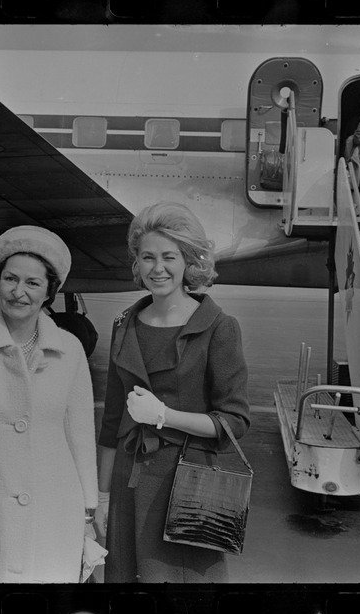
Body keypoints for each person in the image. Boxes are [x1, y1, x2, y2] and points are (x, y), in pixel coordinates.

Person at [96, 202, 251, 583]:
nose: (157, 268)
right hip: (129, 483)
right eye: (147, 257)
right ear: (137, 263)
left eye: (169, 257)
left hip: (188, 486)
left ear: (188, 261)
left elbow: (235, 420)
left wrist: (165, 416)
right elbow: (112, 422)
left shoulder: (219, 327)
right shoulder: (124, 325)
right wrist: (100, 498)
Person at [0, 226, 99, 583]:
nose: (18, 292)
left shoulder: (70, 349)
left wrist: (88, 511)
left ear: (49, 292)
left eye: (32, 283)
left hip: (54, 504)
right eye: (10, 279)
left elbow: (80, 434)